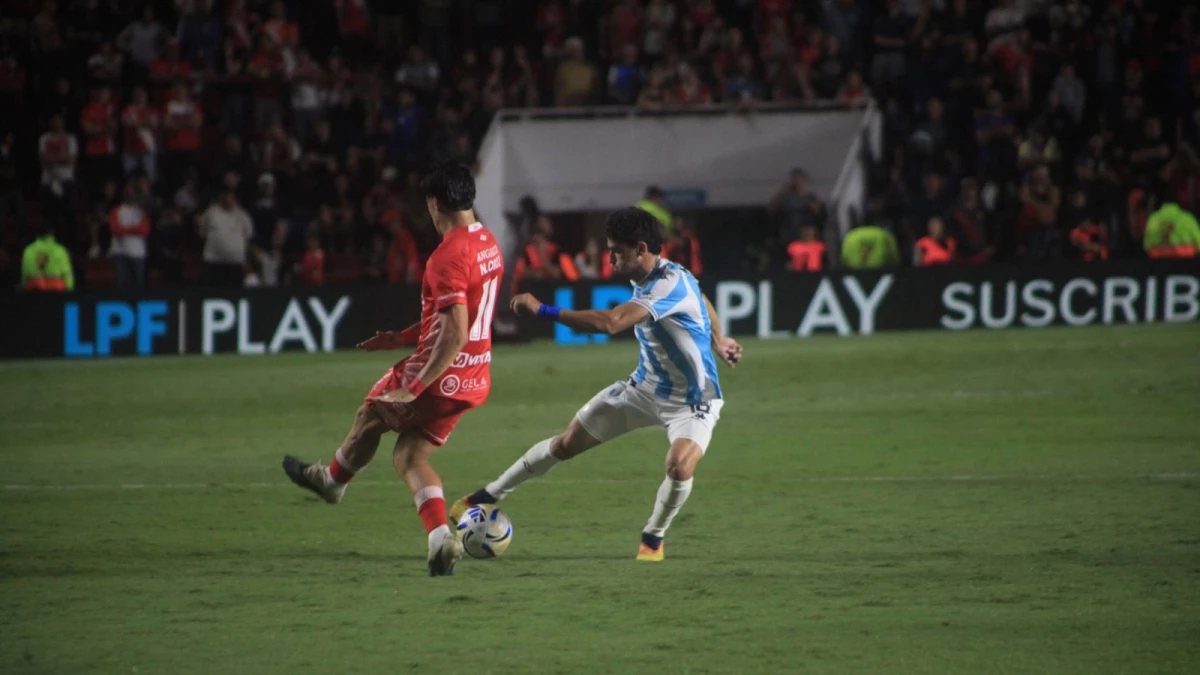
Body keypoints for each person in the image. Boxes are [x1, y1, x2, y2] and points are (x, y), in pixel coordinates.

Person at [450, 207, 743, 563]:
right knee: (565, 444)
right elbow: (703, 298)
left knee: (679, 465)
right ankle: (487, 495)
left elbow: (611, 323)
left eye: (615, 250)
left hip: (694, 400)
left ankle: (653, 537)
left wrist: (543, 310)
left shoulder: (668, 282)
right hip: (644, 388)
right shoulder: (669, 276)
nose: (609, 257)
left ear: (640, 248)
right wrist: (719, 336)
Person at [282, 162, 504, 578]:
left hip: (437, 378)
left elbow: (454, 333)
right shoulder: (487, 242)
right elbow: (464, 317)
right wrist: (402, 336)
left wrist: (414, 387)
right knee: (408, 455)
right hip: (473, 380)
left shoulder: (447, 256)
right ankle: (441, 539)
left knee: (370, 414)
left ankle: (332, 482)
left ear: (436, 204)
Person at [21, 225, 75, 291]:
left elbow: (24, 274)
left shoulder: (28, 250)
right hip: (56, 289)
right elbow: (67, 273)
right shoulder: (60, 250)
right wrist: (70, 289)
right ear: (51, 235)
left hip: (34, 289)